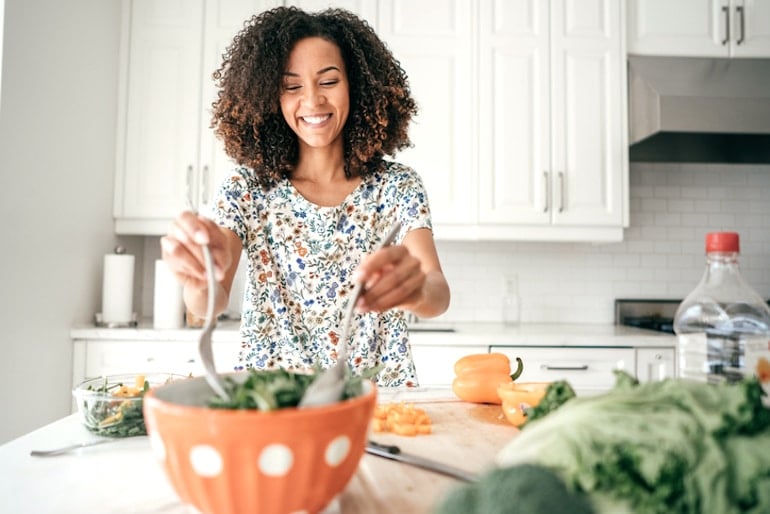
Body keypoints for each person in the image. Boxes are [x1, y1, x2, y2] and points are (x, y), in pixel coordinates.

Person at [160, 6, 450, 387]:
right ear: (268, 98)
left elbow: (437, 293)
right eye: (291, 86)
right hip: (275, 404)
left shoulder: (395, 186)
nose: (312, 101)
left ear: (356, 85)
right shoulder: (247, 189)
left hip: (378, 405)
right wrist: (200, 277)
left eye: (328, 82)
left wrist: (413, 290)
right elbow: (206, 306)